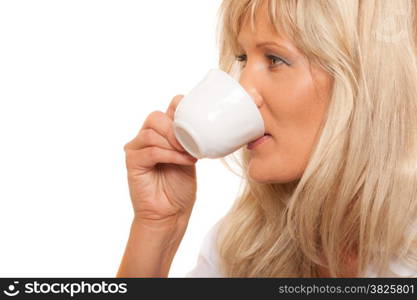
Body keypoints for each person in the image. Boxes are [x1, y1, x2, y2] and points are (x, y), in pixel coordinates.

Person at [116, 0, 417, 277]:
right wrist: (158, 227)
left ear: (365, 81)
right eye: (243, 58)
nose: (243, 87)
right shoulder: (244, 244)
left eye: (275, 59)